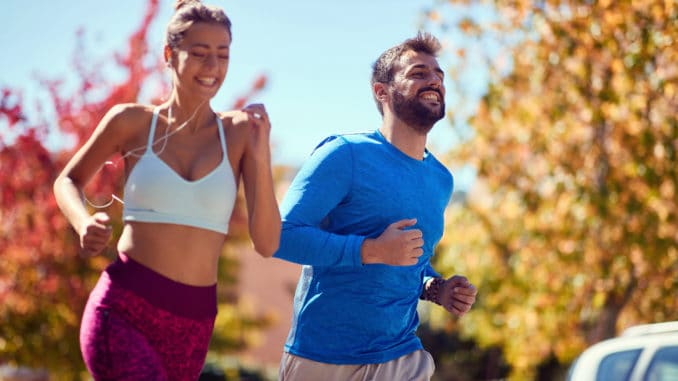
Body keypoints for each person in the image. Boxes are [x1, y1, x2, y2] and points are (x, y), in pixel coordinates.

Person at [53, 0, 280, 379]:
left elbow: (268, 243)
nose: (212, 68)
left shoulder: (240, 133)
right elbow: (68, 181)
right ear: (169, 55)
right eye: (200, 53)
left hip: (193, 326)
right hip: (124, 309)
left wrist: (260, 158)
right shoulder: (132, 122)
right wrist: (82, 223)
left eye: (222, 55)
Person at [273, 32, 478, 381]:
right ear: (381, 92)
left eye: (439, 75)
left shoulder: (441, 180)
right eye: (418, 73)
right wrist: (371, 250)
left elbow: (411, 261)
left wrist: (435, 288)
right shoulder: (344, 154)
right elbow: (280, 236)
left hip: (400, 356)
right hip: (325, 358)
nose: (434, 81)